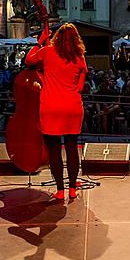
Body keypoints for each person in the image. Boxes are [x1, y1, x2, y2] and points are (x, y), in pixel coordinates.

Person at [25, 23, 88, 202]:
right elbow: (81, 87)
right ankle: (73, 189)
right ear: (76, 39)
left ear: (58, 37)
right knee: (71, 148)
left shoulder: (47, 52)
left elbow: (29, 61)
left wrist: (40, 41)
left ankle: (60, 190)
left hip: (51, 107)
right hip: (72, 107)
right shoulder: (79, 57)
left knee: (54, 151)